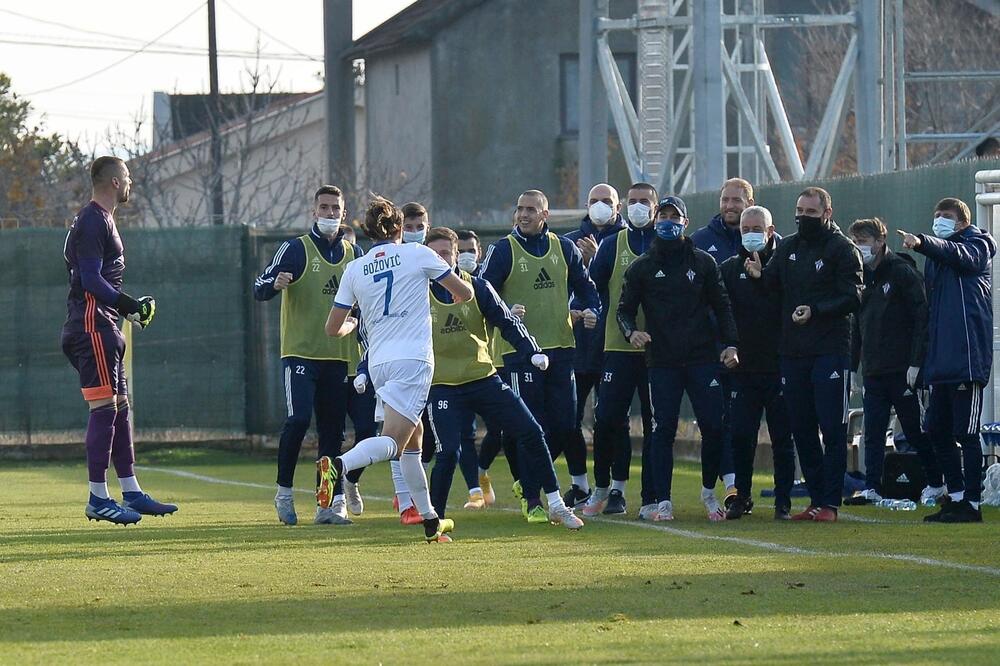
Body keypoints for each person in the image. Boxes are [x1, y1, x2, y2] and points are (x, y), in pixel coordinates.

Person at [323, 196, 473, 543]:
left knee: (412, 444)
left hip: (379, 363)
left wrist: (354, 322)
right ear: (399, 229)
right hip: (413, 360)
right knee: (394, 441)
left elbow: (333, 328)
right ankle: (339, 467)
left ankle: (430, 521)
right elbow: (463, 293)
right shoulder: (418, 254)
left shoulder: (355, 268)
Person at [423, 227, 582, 528]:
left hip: (483, 378)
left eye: (445, 253)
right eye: (433, 254)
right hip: (443, 386)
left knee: (532, 431)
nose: (439, 259)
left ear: (456, 255)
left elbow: (508, 323)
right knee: (447, 452)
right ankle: (435, 521)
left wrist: (531, 350)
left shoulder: (479, 288)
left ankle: (557, 504)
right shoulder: (416, 295)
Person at [61, 156, 175, 525]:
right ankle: (98, 497)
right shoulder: (93, 219)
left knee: (121, 409)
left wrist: (126, 311)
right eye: (127, 177)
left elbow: (97, 279)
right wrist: (130, 304)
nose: (130, 183)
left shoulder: (99, 218)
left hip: (105, 322)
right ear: (113, 181)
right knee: (105, 410)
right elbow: (90, 280)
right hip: (92, 326)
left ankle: (131, 490)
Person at [253, 185, 374, 526]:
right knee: (298, 419)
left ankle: (328, 503)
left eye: (335, 208)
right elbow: (258, 286)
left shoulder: (354, 255)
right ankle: (284, 492)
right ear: (313, 211)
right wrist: (273, 284)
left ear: (344, 212)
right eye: (324, 207)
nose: (330, 213)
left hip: (338, 357)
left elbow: (366, 304)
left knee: (333, 432)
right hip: (300, 354)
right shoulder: (296, 249)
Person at [617, 195, 740, 522]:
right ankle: (663, 500)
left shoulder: (702, 262)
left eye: (675, 217)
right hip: (663, 362)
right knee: (663, 429)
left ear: (685, 222)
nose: (668, 222)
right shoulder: (642, 266)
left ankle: (708, 492)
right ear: (656, 221)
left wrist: (730, 344)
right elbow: (624, 311)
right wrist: (632, 333)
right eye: (663, 216)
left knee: (713, 426)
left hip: (702, 357)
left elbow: (723, 306)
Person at [478, 189, 600, 517]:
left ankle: (527, 481)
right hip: (520, 352)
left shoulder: (565, 248)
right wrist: (504, 311)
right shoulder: (503, 250)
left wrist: (592, 310)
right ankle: (532, 499)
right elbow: (480, 291)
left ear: (545, 215)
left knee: (564, 426)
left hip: (561, 349)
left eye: (531, 209)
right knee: (530, 427)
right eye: (519, 209)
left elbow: (586, 287)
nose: (523, 215)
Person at [745, 187, 862, 522]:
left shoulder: (842, 249)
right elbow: (772, 286)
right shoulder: (788, 248)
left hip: (830, 350)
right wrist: (758, 276)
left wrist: (816, 310)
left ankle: (830, 503)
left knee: (833, 428)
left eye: (810, 212)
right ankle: (815, 498)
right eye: (799, 211)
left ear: (827, 213)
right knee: (802, 428)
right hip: (793, 352)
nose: (803, 218)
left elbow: (853, 296)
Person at [899, 198, 996, 523]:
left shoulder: (977, 244)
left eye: (946, 217)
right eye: (936, 215)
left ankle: (972, 503)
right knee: (936, 430)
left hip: (967, 359)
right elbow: (929, 314)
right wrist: (922, 361)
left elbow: (962, 256)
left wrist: (924, 242)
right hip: (941, 362)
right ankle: (954, 496)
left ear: (963, 222)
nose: (939, 220)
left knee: (966, 432)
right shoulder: (936, 260)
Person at [845, 217, 943, 506]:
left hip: (902, 369)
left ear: (879, 241)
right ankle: (871, 487)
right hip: (874, 370)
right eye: (855, 242)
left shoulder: (902, 272)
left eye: (863, 242)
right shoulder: (861, 276)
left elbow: (921, 317)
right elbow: (857, 325)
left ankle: (937, 481)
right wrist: (853, 368)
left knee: (913, 429)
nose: (859, 248)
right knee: (873, 431)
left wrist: (916, 363)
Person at [580, 182, 656, 518]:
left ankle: (648, 495)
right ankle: (603, 489)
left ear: (655, 208)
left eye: (645, 202)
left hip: (659, 352)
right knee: (608, 419)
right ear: (624, 207)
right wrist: (590, 312)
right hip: (616, 346)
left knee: (656, 425)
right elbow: (589, 288)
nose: (639, 207)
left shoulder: (666, 243)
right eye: (634, 201)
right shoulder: (612, 245)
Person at [719, 206, 796, 520]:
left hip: (779, 365)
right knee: (741, 436)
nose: (750, 233)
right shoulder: (728, 268)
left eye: (756, 227)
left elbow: (786, 305)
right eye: (745, 227)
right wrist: (728, 346)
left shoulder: (785, 265)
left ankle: (783, 501)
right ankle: (742, 496)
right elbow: (722, 313)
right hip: (743, 368)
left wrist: (763, 277)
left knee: (782, 438)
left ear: (770, 229)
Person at [561, 183, 627, 506]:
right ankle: (580, 484)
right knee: (569, 418)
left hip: (616, 344)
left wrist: (597, 260)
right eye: (594, 200)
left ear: (619, 205)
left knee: (613, 418)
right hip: (577, 345)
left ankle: (616, 488)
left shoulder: (627, 242)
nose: (600, 206)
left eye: (607, 200)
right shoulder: (569, 243)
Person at [691, 178, 755, 264]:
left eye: (736, 200)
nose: (729, 206)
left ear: (750, 203)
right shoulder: (698, 240)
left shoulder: (767, 239)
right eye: (725, 200)